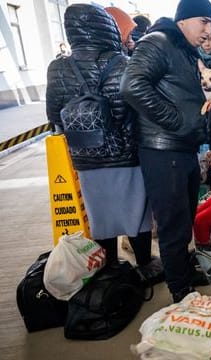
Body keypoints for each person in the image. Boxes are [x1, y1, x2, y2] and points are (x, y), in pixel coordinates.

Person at [120, 0, 211, 303]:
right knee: (173, 226)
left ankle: (180, 271)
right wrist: (176, 121)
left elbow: (204, 99)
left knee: (185, 219)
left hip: (184, 149)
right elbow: (131, 86)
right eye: (204, 22)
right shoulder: (157, 42)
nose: (209, 31)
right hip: (163, 150)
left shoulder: (186, 50)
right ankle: (181, 292)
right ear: (183, 19)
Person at [45, 3, 163, 284]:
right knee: (137, 211)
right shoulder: (122, 62)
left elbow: (53, 115)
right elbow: (136, 108)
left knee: (101, 214)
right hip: (125, 154)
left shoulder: (58, 67)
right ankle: (146, 263)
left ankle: (111, 265)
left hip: (85, 155)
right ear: (106, 27)